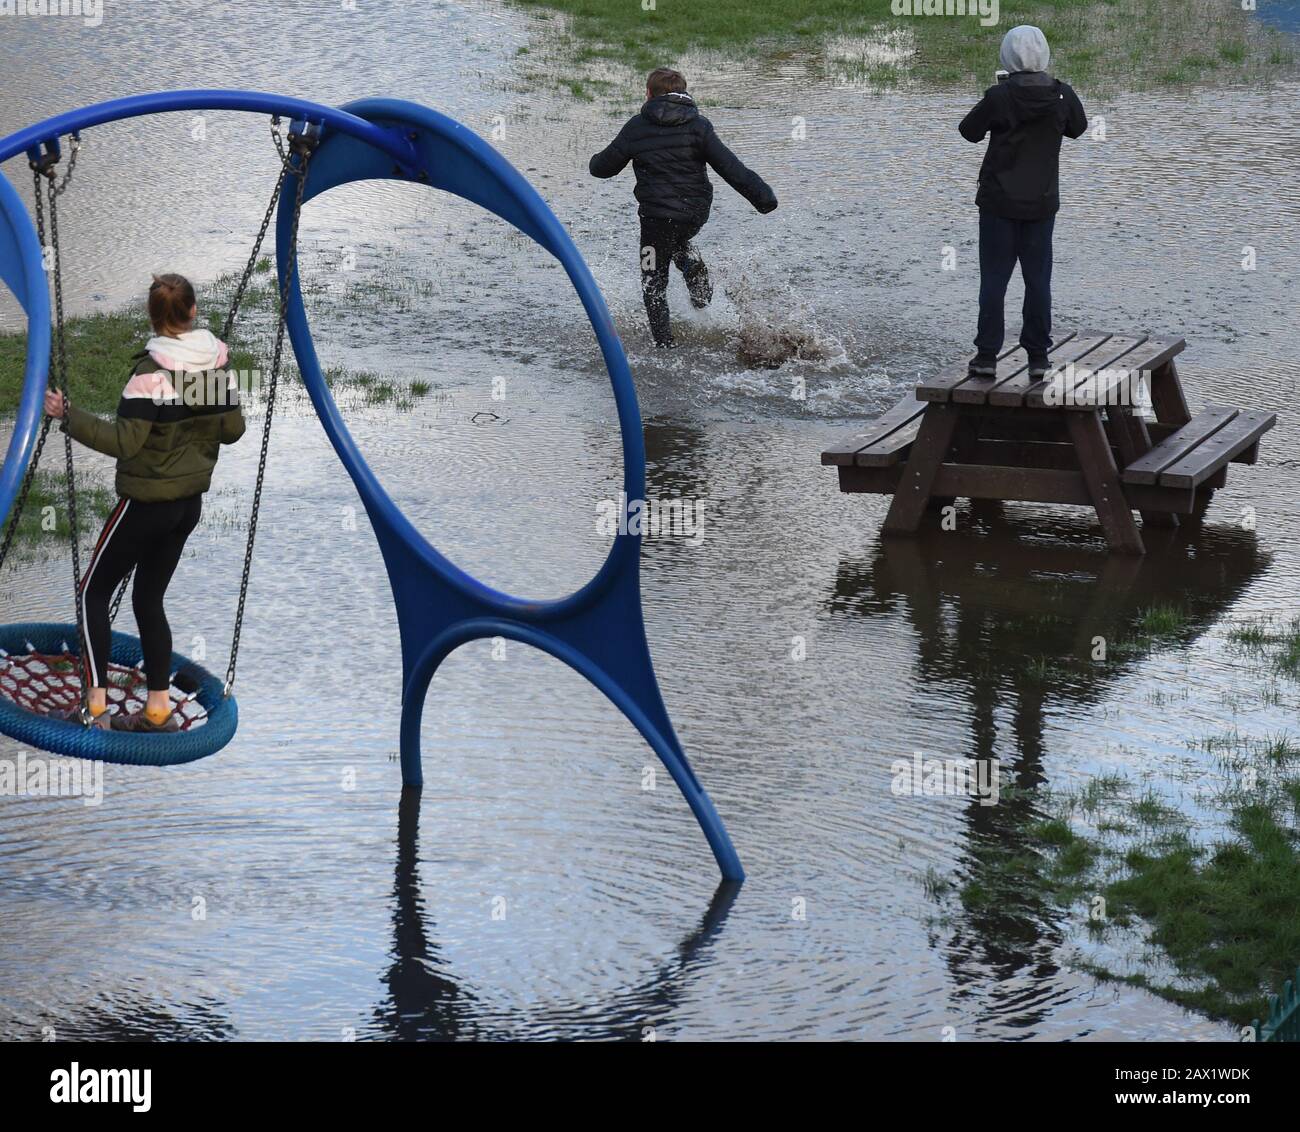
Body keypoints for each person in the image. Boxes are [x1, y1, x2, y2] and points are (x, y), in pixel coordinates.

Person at [44, 273, 245, 732]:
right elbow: (233, 431)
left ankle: (94, 706)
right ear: (193, 312)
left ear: (152, 319)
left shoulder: (150, 375)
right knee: (148, 599)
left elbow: (126, 443)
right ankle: (157, 710)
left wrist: (67, 415)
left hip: (146, 504)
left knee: (92, 591)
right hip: (186, 506)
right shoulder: (212, 368)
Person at [589, 67, 778, 348]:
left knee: (652, 281)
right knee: (677, 239)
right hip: (694, 214)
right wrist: (764, 198)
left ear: (649, 94)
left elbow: (602, 169)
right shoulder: (699, 126)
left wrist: (595, 160)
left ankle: (665, 345)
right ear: (685, 93)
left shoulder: (636, 127)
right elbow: (730, 167)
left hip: (655, 220)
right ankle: (697, 281)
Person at [959, 25, 1087, 378]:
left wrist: (998, 95)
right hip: (1041, 204)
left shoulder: (1000, 97)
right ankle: (1038, 359)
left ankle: (986, 357)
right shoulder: (1062, 96)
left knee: (994, 281)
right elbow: (1078, 128)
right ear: (1044, 55)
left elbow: (968, 132)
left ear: (1007, 57)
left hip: (999, 204)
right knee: (1038, 280)